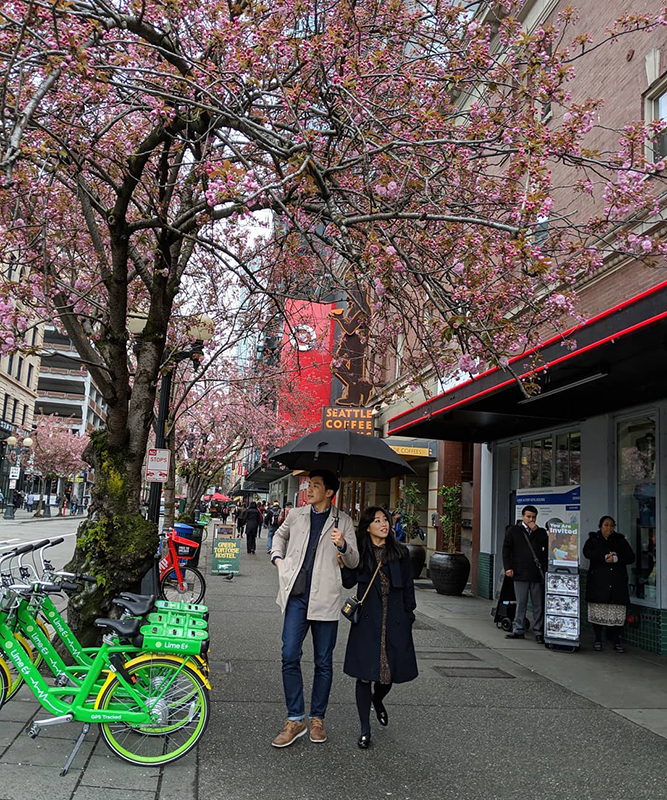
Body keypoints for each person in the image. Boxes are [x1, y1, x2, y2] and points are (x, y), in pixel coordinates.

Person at [270, 470, 359, 748]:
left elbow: (354, 561)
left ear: (330, 493)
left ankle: (317, 718)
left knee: (323, 662)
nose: (309, 489)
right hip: (296, 595)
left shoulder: (342, 521)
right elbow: (278, 536)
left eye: (316, 486)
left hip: (326, 599)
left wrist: (343, 544)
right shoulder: (296, 515)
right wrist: (278, 560)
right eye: (309, 484)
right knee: (289, 655)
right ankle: (295, 718)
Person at [341, 507, 417, 749]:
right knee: (364, 675)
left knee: (388, 674)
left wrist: (409, 615)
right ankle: (365, 729)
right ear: (367, 527)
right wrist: (342, 561)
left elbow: (408, 586)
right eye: (378, 520)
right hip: (367, 621)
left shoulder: (400, 552)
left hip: (394, 620)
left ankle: (378, 699)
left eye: (385, 519)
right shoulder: (360, 552)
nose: (384, 524)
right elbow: (349, 582)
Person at [583, 516, 635, 653]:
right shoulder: (594, 539)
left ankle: (617, 641)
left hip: (616, 582)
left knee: (617, 613)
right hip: (599, 582)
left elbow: (631, 557)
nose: (609, 528)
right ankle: (598, 640)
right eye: (606, 525)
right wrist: (604, 556)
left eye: (612, 525)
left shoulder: (620, 540)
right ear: (601, 526)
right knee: (598, 611)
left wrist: (617, 558)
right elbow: (587, 553)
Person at [502, 505, 548, 644]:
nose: (531, 519)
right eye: (528, 516)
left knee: (537, 604)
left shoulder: (539, 532)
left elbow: (547, 544)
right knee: (521, 602)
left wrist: (537, 531)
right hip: (520, 572)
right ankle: (519, 629)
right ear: (523, 516)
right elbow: (506, 549)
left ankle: (539, 631)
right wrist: (508, 567)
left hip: (536, 573)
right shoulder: (514, 530)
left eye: (533, 517)